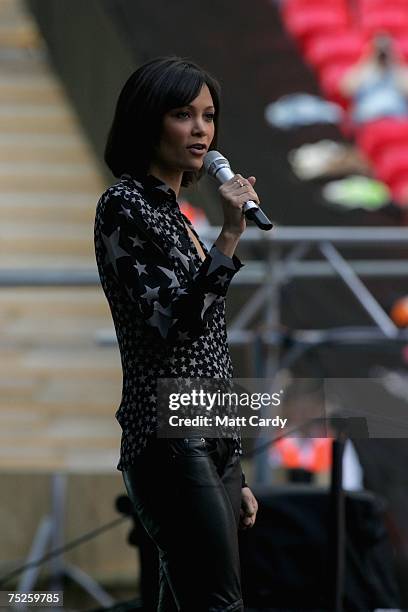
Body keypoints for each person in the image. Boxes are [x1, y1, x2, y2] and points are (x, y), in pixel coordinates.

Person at [94, 56, 259, 612]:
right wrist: (231, 235)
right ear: (149, 120)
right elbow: (174, 324)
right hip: (168, 430)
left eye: (208, 116)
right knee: (217, 603)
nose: (201, 130)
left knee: (187, 600)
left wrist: (233, 459)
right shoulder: (125, 205)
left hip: (207, 429)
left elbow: (212, 348)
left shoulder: (180, 216)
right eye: (183, 114)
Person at [339, 34, 408, 125]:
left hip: (396, 116)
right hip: (368, 117)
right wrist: (367, 60)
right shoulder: (364, 70)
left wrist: (395, 61)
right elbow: (345, 90)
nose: (382, 53)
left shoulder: (399, 70)